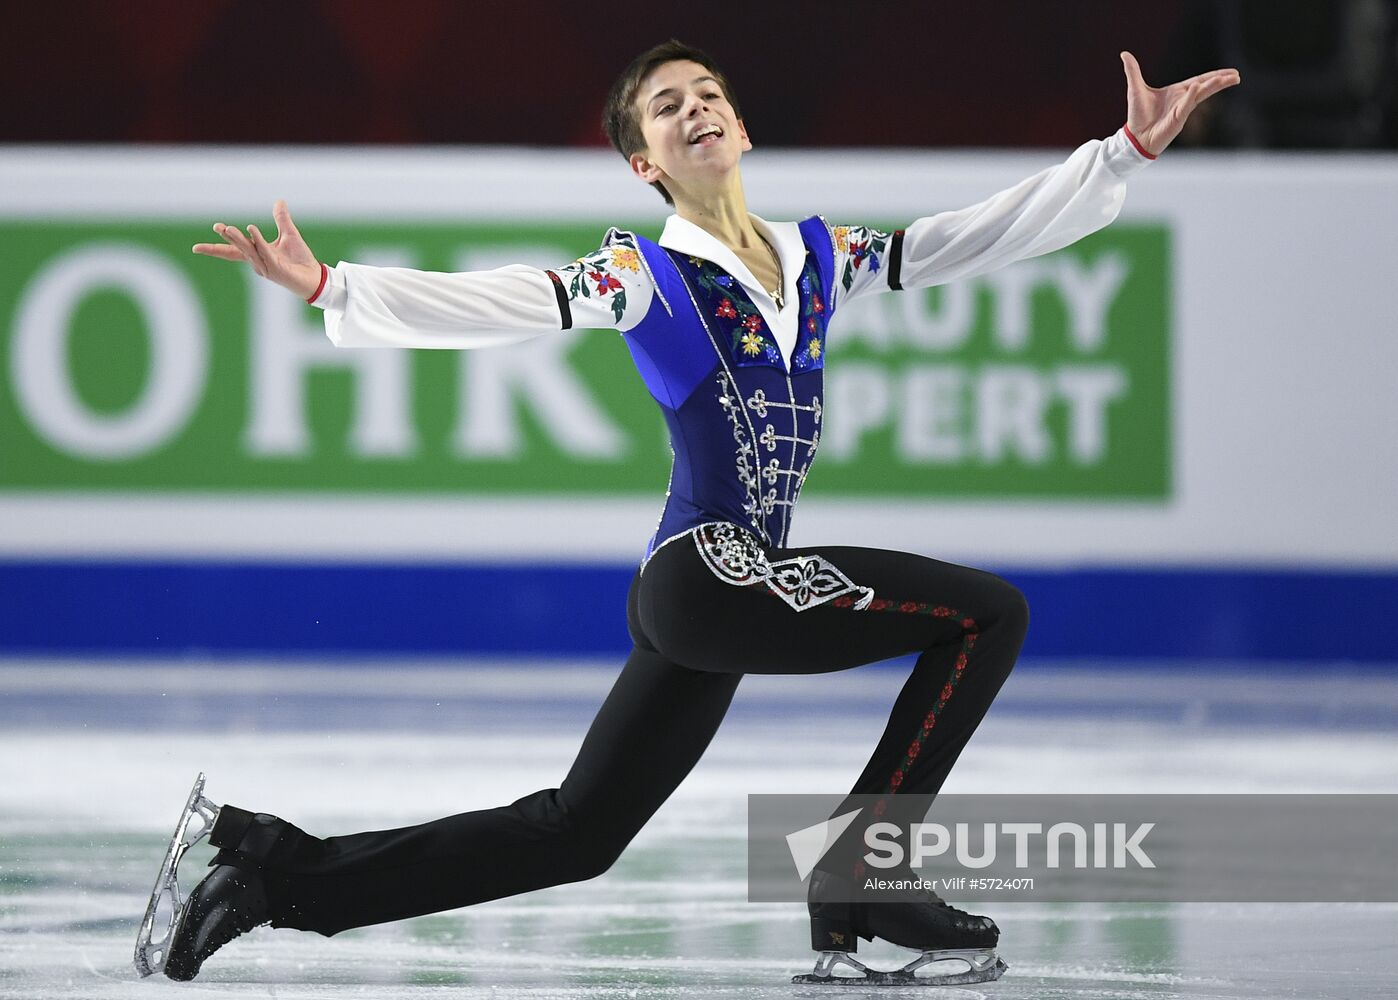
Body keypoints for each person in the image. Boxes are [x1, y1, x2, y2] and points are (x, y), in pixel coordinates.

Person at [135, 40, 1239, 986]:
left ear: (741, 127)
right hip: (703, 574)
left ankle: (269, 871)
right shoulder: (643, 274)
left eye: (706, 92)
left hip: (721, 588)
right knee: (988, 613)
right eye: (666, 106)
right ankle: (862, 876)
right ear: (642, 161)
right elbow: (512, 297)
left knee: (577, 835)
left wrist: (1120, 154)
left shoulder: (817, 256)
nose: (693, 108)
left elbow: (957, 238)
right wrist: (338, 288)